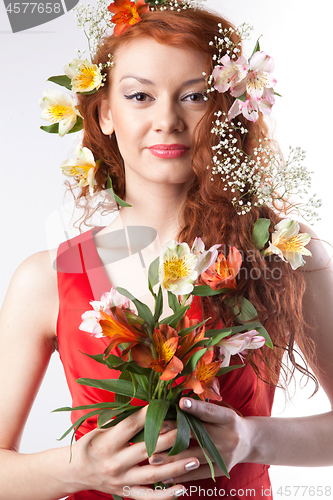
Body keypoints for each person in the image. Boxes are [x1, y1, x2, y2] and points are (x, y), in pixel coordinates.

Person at [0, 1, 332, 499]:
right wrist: (77, 468)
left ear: (224, 111)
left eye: (195, 96)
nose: (167, 120)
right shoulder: (48, 277)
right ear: (106, 113)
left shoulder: (282, 252)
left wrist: (250, 440)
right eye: (139, 96)